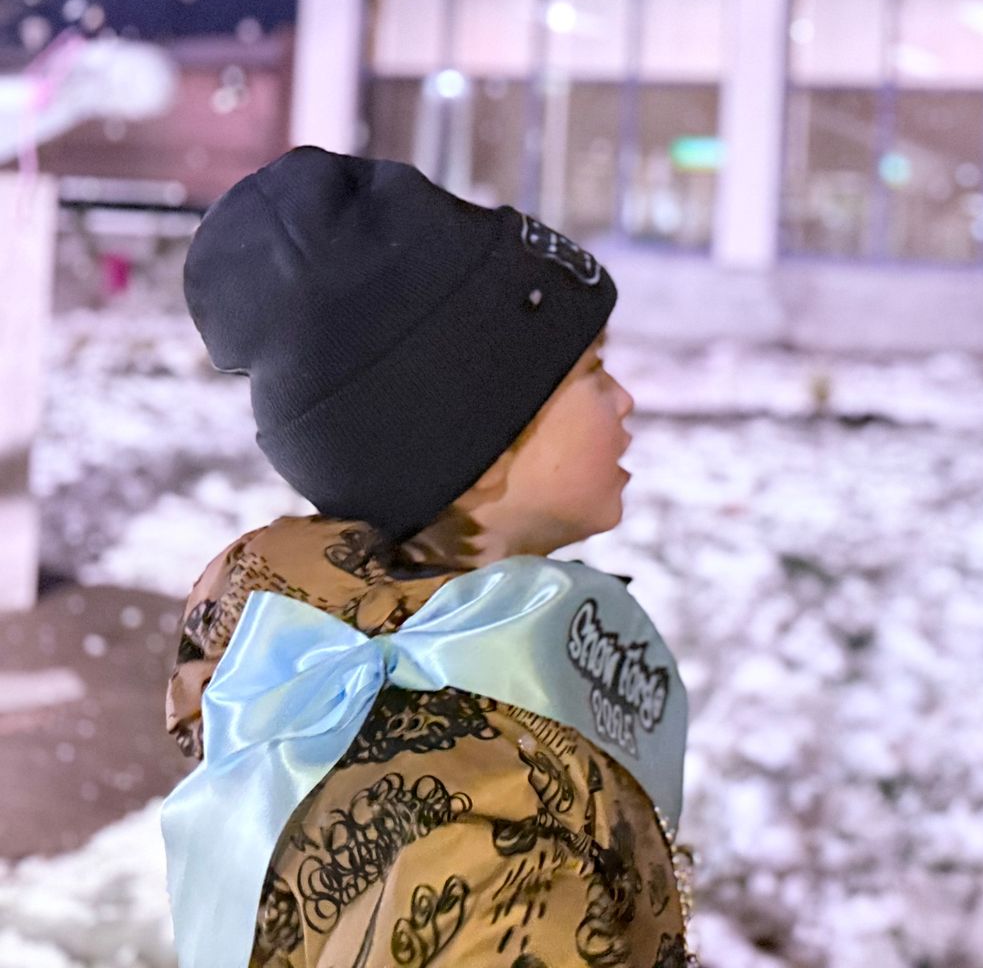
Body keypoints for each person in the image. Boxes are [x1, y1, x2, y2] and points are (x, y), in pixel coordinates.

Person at [161, 146, 692, 968]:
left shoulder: (357, 691)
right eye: (591, 371)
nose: (625, 401)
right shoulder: (482, 822)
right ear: (471, 431)